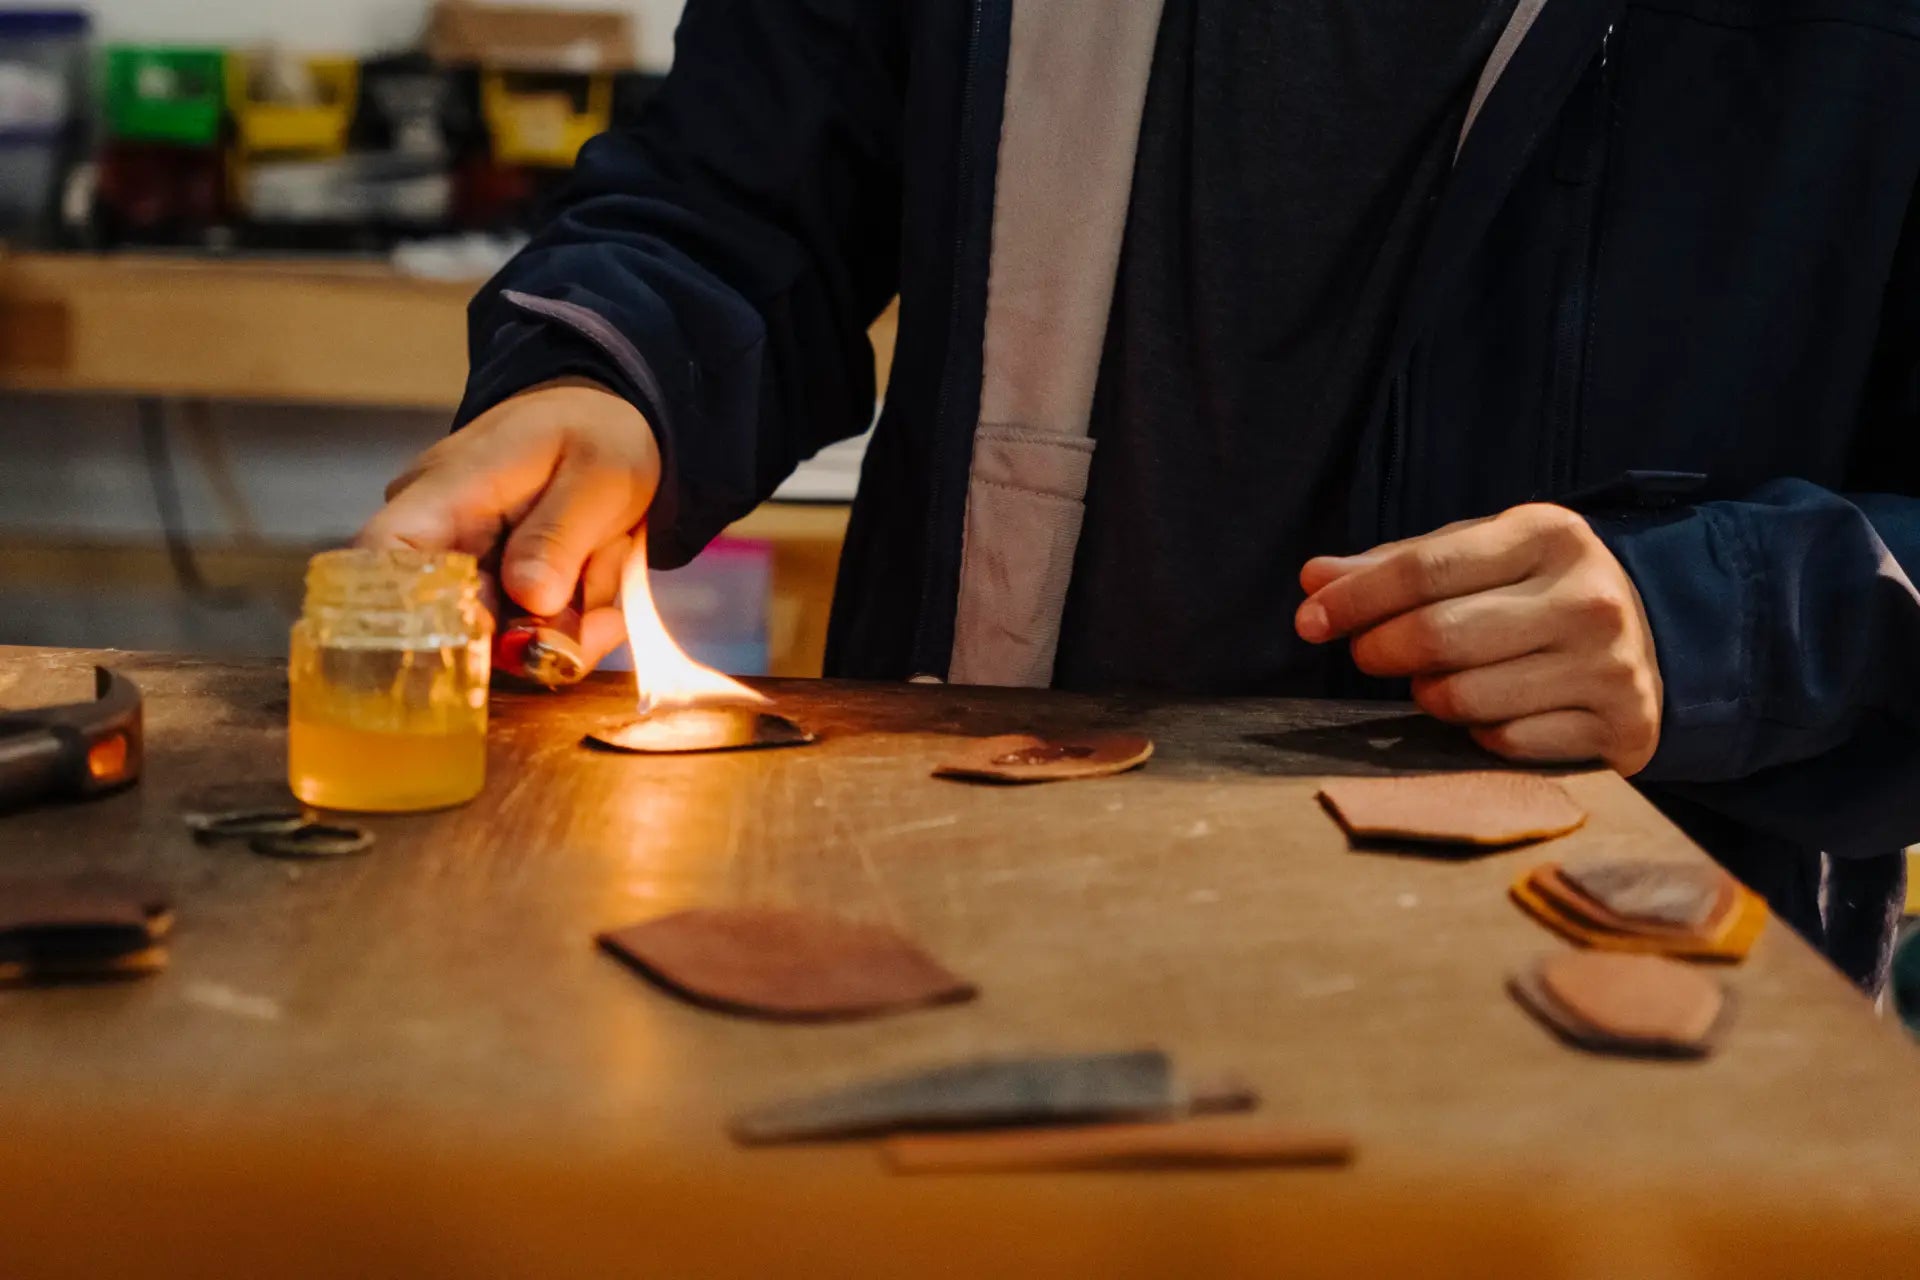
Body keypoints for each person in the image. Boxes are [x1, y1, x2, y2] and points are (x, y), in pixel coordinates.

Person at [362, 0, 1920, 987]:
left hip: (1601, 1018)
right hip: (969, 943)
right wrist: (608, 379)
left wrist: (1715, 620)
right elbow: (735, 199)